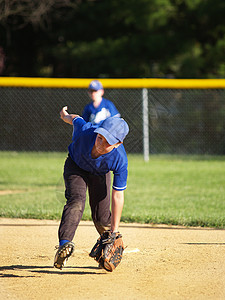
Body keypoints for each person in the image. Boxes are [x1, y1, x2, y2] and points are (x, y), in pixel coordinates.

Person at [54, 106, 129, 270]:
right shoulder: (86, 132)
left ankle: (108, 243)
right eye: (100, 137)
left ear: (118, 144)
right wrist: (64, 116)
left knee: (102, 218)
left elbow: (117, 196)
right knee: (76, 201)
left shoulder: (120, 160)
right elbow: (76, 119)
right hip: (76, 166)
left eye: (108, 141)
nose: (101, 143)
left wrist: (115, 231)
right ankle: (64, 245)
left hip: (99, 173)